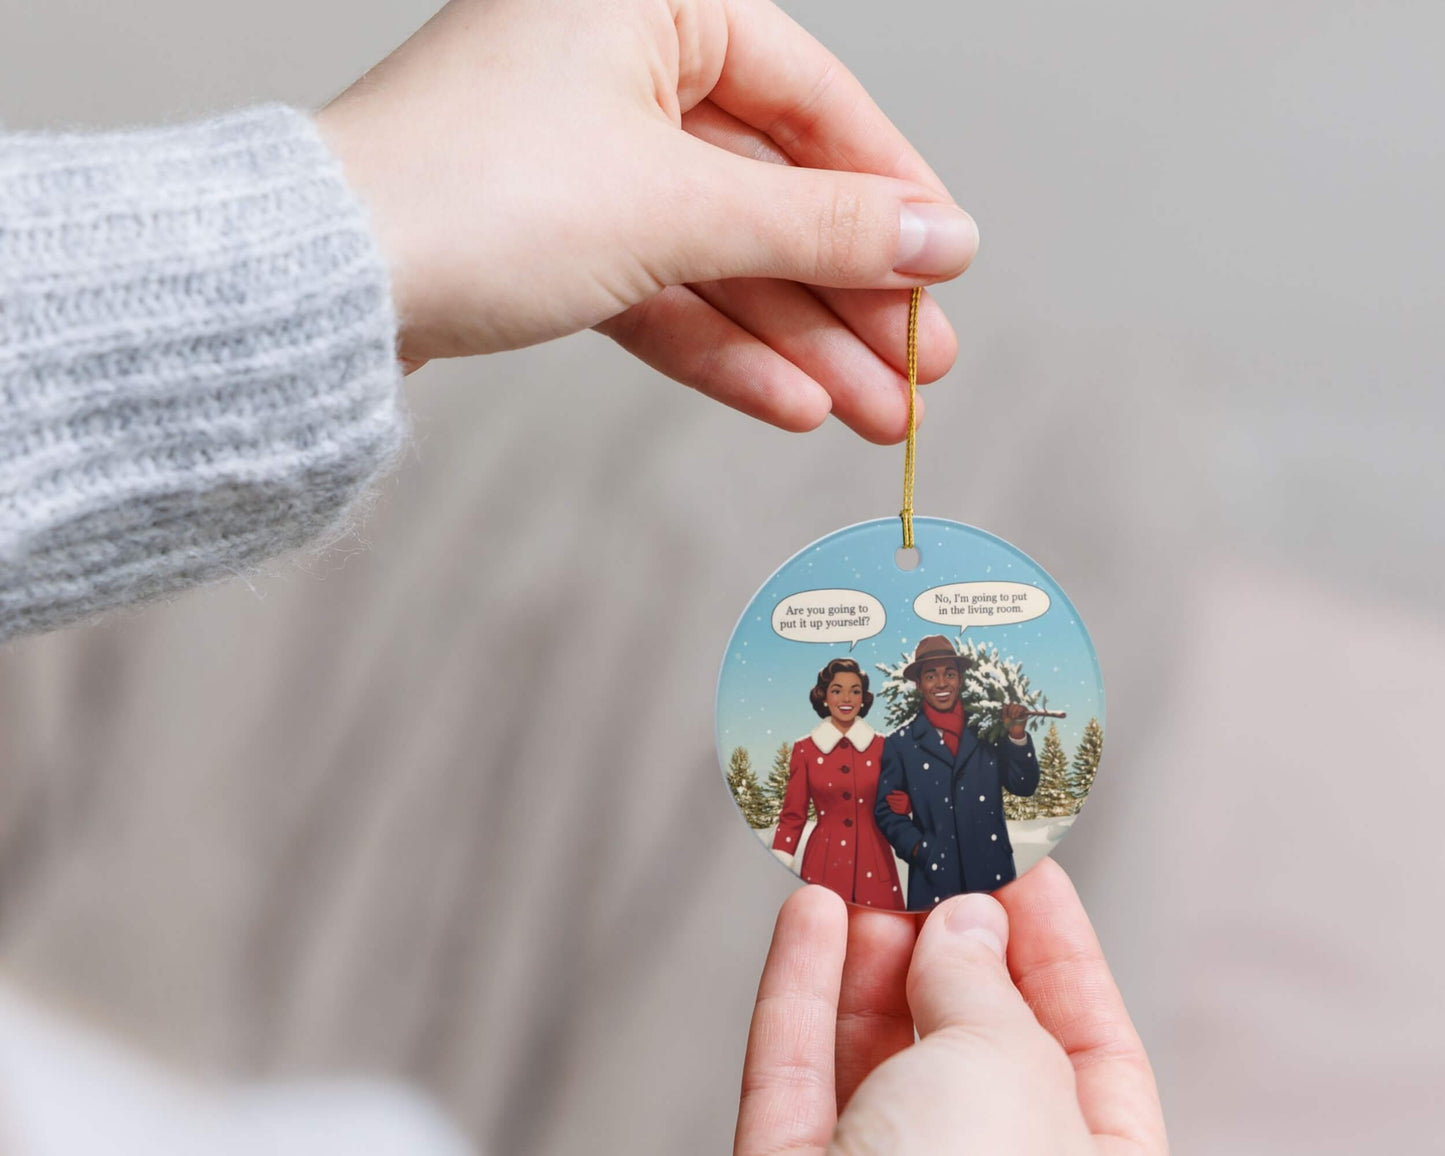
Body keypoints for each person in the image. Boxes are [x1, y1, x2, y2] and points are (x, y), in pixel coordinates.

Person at [2, 0, 1166, 1150]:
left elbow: (1008, 760)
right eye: (877, 685)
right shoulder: (830, 754)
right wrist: (360, 222)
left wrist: (356, 219)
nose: (891, 693)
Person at [875, 635, 1040, 908]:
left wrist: (1016, 735)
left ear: (961, 679)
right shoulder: (901, 744)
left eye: (949, 673)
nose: (941, 683)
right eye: (931, 676)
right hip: (933, 882)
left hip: (993, 876)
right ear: (919, 684)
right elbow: (886, 812)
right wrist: (921, 849)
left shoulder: (988, 732)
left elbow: (1023, 785)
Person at [772, 658, 903, 909]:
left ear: (863, 698)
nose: (847, 698)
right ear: (824, 696)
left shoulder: (883, 748)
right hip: (824, 860)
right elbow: (792, 816)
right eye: (836, 690)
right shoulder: (805, 750)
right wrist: (780, 857)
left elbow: (898, 799)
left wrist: (904, 803)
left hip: (874, 860)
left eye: (855, 691)